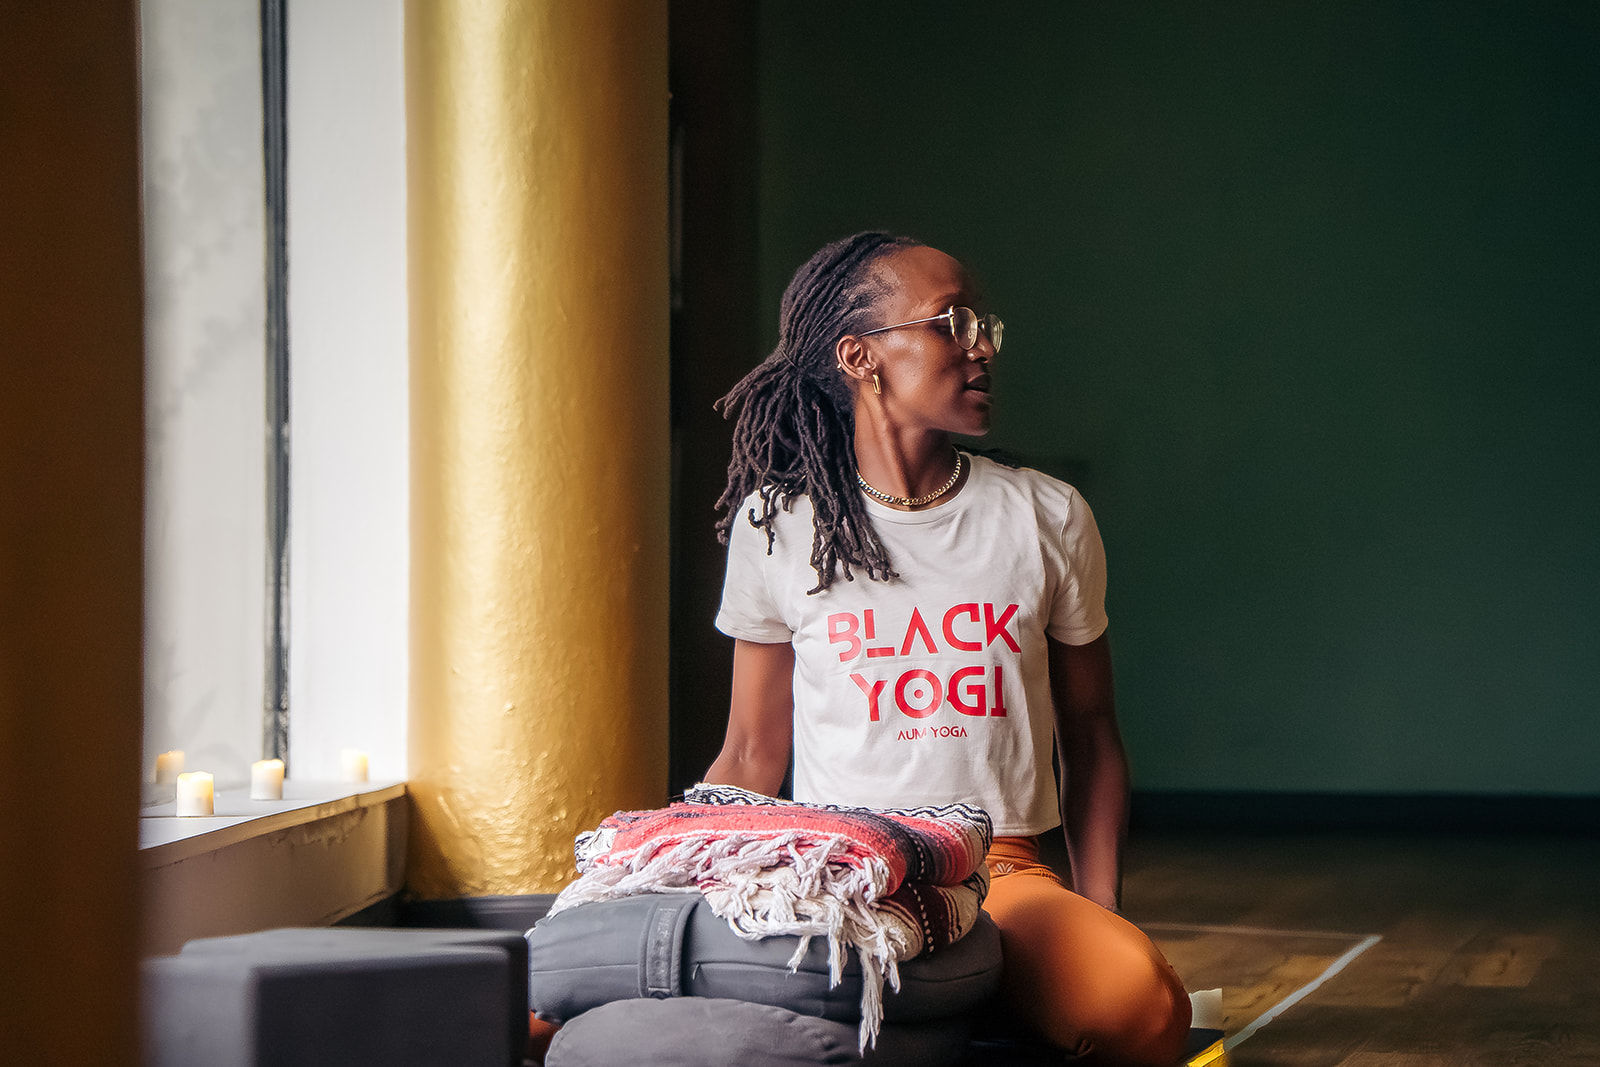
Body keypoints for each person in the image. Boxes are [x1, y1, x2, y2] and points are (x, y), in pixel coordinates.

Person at [704, 232, 1191, 1065]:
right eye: (951, 323)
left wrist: (1102, 902)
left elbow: (1092, 728)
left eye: (985, 324)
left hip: (1000, 871)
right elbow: (750, 751)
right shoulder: (775, 524)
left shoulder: (1047, 515)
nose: (982, 347)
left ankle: (985, 995)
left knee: (1142, 1012)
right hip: (841, 870)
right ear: (860, 354)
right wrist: (686, 880)